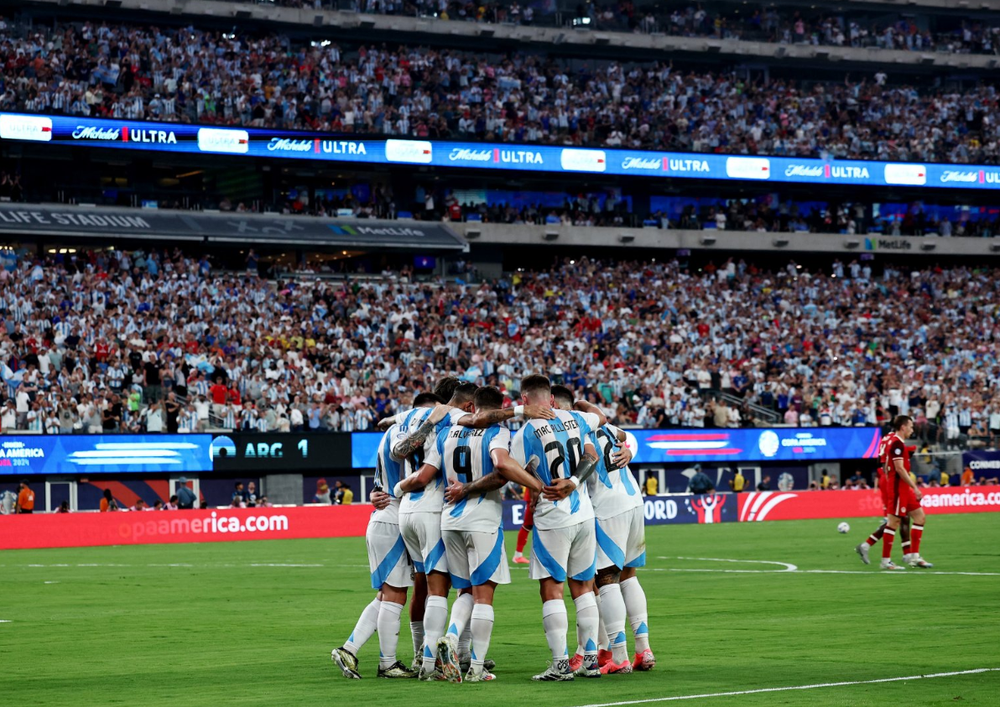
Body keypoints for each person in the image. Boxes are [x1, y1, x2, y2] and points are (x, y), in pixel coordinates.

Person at [413, 385, 543, 682]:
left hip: (449, 520)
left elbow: (427, 471)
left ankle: (434, 656)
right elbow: (501, 465)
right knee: (483, 595)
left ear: (473, 407)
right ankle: (475, 666)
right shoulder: (497, 432)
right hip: (481, 519)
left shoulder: (448, 431)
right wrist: (536, 485)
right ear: (500, 407)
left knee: (465, 590)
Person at [331, 395, 437, 681]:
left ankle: (348, 649)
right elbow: (403, 453)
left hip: (385, 516)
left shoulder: (394, 430)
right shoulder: (402, 432)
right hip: (392, 517)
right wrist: (430, 423)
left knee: (385, 594)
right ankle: (387, 663)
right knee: (395, 594)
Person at [509, 374, 606, 681]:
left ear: (525, 400)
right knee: (584, 588)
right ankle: (591, 660)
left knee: (552, 589)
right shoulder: (576, 418)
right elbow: (597, 433)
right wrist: (574, 481)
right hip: (584, 514)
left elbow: (507, 468)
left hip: (552, 516)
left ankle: (561, 665)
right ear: (551, 398)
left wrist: (536, 485)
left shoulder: (525, 432)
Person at [550, 386, 652, 675]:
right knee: (629, 576)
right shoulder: (603, 424)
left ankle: (618, 656)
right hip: (633, 500)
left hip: (607, 508)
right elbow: (626, 436)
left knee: (605, 581)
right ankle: (643, 649)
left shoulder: (572, 430)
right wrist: (628, 449)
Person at [881, 416, 933, 570]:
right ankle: (885, 561)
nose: (912, 429)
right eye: (910, 426)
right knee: (893, 522)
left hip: (903, 488)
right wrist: (915, 487)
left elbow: (886, 466)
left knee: (920, 517)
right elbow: (899, 468)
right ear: (903, 427)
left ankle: (914, 557)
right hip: (898, 487)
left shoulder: (897, 442)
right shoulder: (897, 443)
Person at [511, 486, 535, 565]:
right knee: (527, 525)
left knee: (528, 526)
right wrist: (532, 499)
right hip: (535, 497)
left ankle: (518, 555)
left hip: (538, 497)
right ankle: (518, 556)